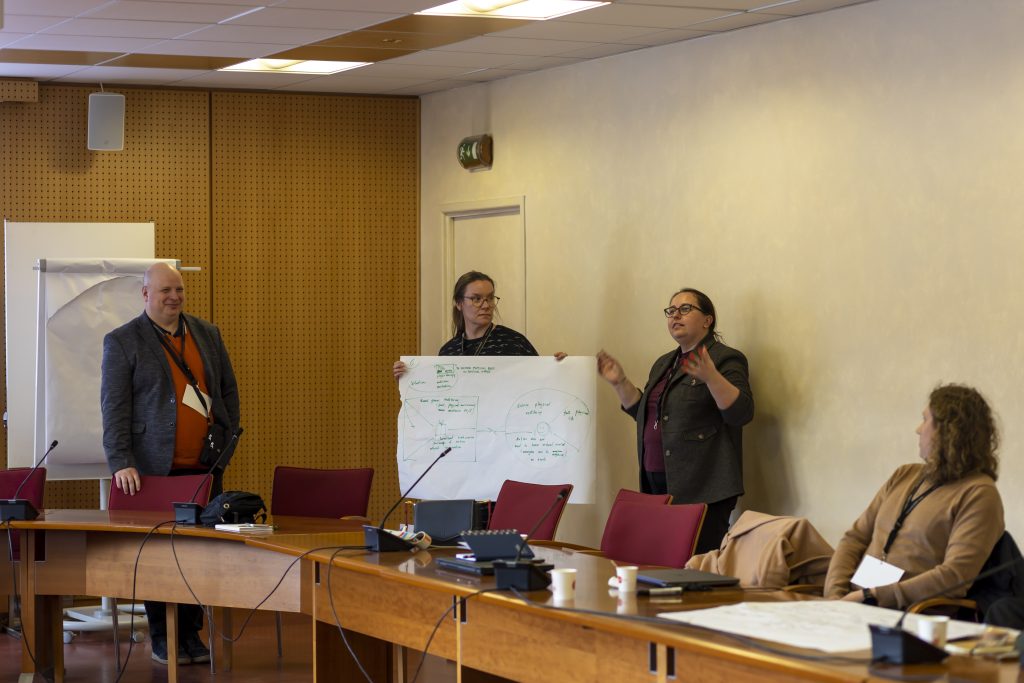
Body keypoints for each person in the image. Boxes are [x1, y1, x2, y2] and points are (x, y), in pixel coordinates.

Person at [101, 262, 240, 666]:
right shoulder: (123, 340)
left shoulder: (207, 334)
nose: (174, 297)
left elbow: (227, 392)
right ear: (146, 294)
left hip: (203, 468)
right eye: (165, 291)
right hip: (152, 470)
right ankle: (163, 637)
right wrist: (121, 461)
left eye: (178, 289)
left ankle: (191, 634)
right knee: (160, 557)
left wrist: (226, 444)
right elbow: (114, 407)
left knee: (198, 553)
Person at [597, 288, 754, 554]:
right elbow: (648, 416)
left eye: (685, 309)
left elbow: (741, 413)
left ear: (707, 320)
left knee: (694, 567)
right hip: (657, 485)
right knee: (660, 564)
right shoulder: (663, 363)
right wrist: (619, 382)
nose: (675, 316)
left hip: (702, 488)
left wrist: (712, 377)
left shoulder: (725, 358)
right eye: (671, 311)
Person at [824, 384, 1004, 609]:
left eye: (925, 420)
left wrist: (870, 596)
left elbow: (955, 576)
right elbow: (855, 538)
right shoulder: (904, 474)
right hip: (852, 604)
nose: (918, 430)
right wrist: (835, 595)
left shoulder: (979, 493)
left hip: (909, 613)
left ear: (949, 431)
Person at [393, 271, 551, 378]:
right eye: (476, 299)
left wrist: (559, 366)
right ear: (459, 303)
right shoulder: (448, 351)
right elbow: (440, 396)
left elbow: (542, 383)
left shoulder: (514, 342)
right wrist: (408, 377)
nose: (486, 305)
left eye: (490, 298)